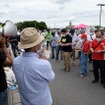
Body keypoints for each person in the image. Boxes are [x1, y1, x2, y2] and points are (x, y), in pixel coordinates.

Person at [12, 27, 55, 105]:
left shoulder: (16, 61)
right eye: (39, 42)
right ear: (36, 46)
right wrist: (43, 60)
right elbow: (51, 77)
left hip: (25, 101)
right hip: (42, 102)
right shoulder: (44, 64)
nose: (41, 43)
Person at [0, 34, 13, 105]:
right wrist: (3, 46)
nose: (2, 38)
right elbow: (10, 62)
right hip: (1, 89)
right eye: (0, 36)